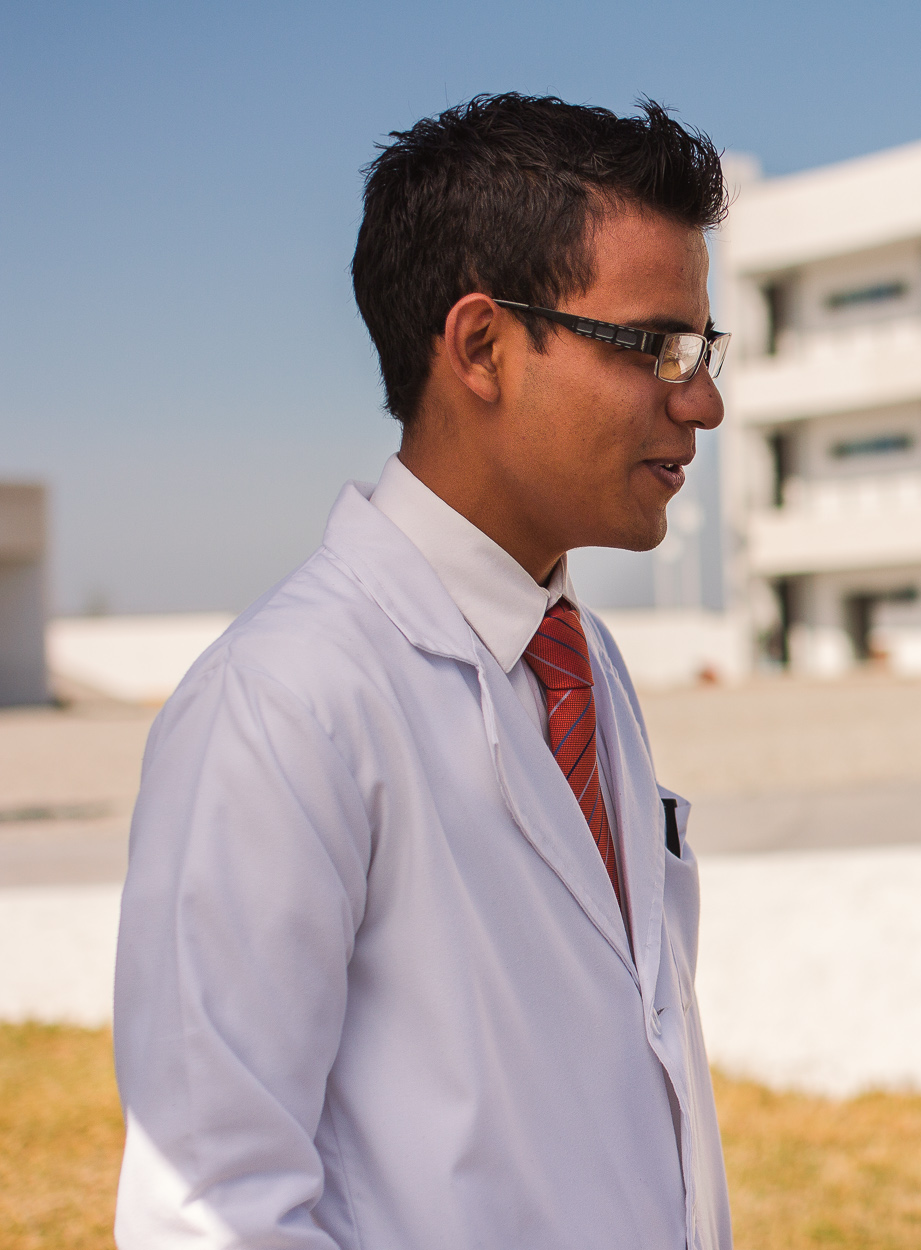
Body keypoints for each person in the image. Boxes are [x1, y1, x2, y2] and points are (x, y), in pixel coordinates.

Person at [112, 94, 733, 1249]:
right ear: (482, 348)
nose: (700, 399)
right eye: (656, 344)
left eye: (701, 350)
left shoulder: (581, 664)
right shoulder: (284, 703)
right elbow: (207, 1214)